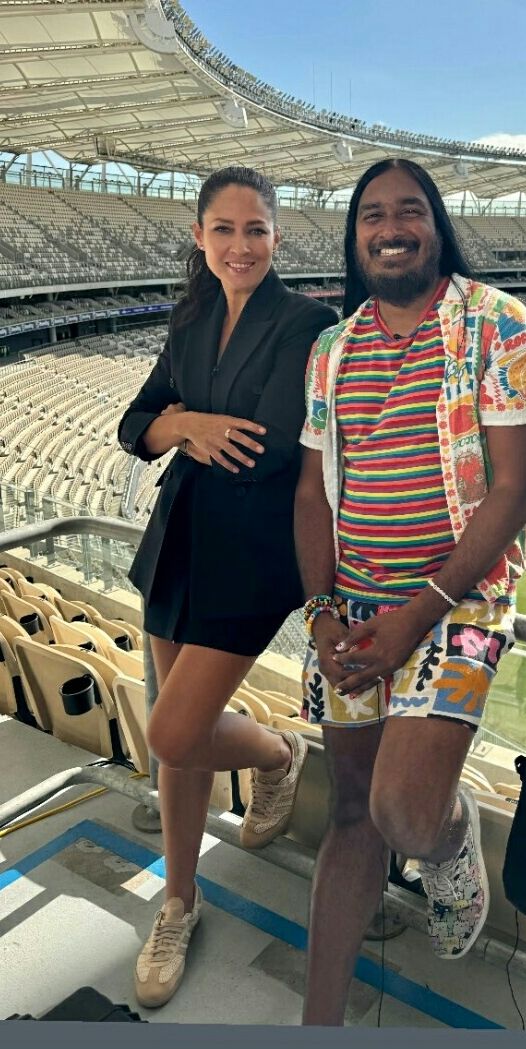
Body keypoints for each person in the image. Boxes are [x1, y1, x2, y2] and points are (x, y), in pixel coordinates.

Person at [294, 157, 526, 1026]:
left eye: (409, 210)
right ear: (354, 235)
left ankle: (448, 835)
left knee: (402, 813)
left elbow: (516, 491)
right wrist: (321, 610)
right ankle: (318, 1027)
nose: (390, 227)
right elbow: (311, 492)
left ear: (436, 225)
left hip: (457, 603)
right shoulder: (331, 349)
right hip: (350, 610)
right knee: (351, 810)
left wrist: (418, 614)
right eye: (372, 214)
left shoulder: (500, 326)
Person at [118, 165, 337, 1009]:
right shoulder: (189, 317)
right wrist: (184, 424)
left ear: (277, 236)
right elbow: (136, 423)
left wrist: (182, 427)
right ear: (199, 237)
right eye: (223, 229)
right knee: (178, 742)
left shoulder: (307, 322)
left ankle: (280, 754)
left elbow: (267, 446)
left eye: (255, 229)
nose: (239, 245)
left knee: (174, 731)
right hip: (176, 541)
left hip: (248, 556)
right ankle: (179, 900)